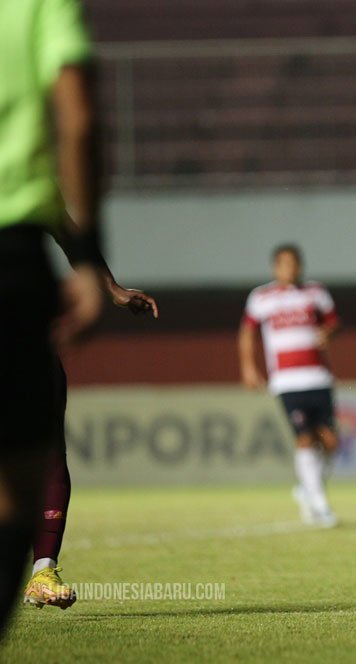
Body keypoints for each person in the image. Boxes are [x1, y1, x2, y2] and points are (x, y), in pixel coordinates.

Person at [0, 0, 106, 635]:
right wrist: (91, 259)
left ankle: (46, 568)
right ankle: (42, 565)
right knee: (23, 470)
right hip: (11, 256)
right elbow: (79, 120)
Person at [23, 270, 159, 610]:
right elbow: (76, 233)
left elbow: (75, 236)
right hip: (28, 340)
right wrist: (110, 291)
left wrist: (111, 289)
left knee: (49, 455)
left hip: (27, 343)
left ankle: (43, 572)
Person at [239, 245, 340, 527]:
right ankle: (319, 504)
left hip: (318, 376)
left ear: (301, 266)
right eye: (284, 264)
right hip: (287, 380)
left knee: (331, 442)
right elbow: (247, 333)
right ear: (275, 267)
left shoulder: (316, 293)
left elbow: (334, 323)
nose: (290, 269)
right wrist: (248, 368)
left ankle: (307, 488)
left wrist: (328, 333)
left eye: (294, 264)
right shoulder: (262, 297)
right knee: (305, 437)